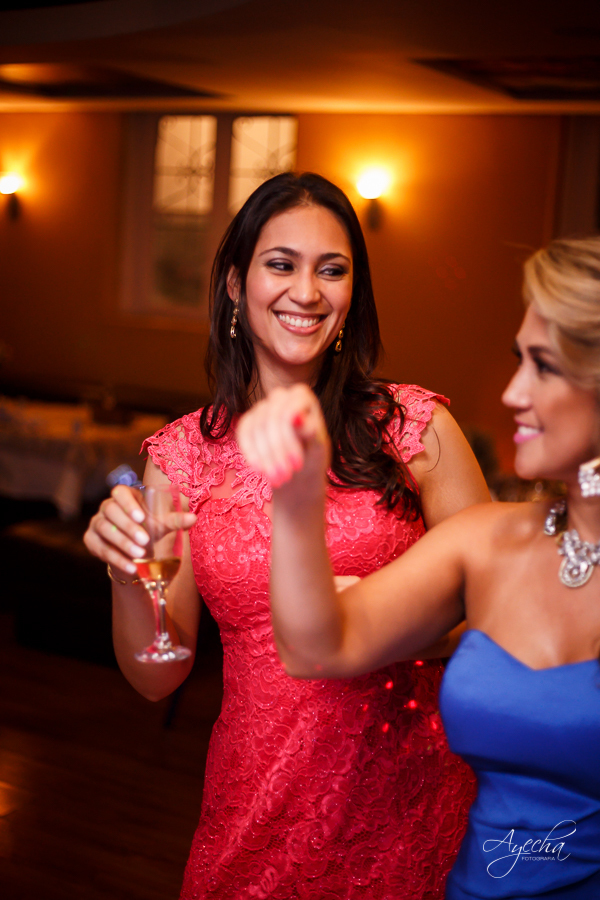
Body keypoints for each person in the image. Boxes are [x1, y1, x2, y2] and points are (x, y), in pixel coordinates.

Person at [84, 171, 489, 899]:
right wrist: (129, 575)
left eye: (331, 270)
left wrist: (378, 622)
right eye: (281, 264)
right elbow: (157, 674)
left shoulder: (415, 430)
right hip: (259, 808)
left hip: (414, 809)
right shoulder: (181, 458)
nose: (307, 291)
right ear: (235, 285)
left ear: (353, 292)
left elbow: (506, 623)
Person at [236, 235, 600, 900]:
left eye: (544, 367)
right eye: (519, 360)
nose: (513, 393)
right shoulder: (488, 543)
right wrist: (298, 492)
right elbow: (317, 648)